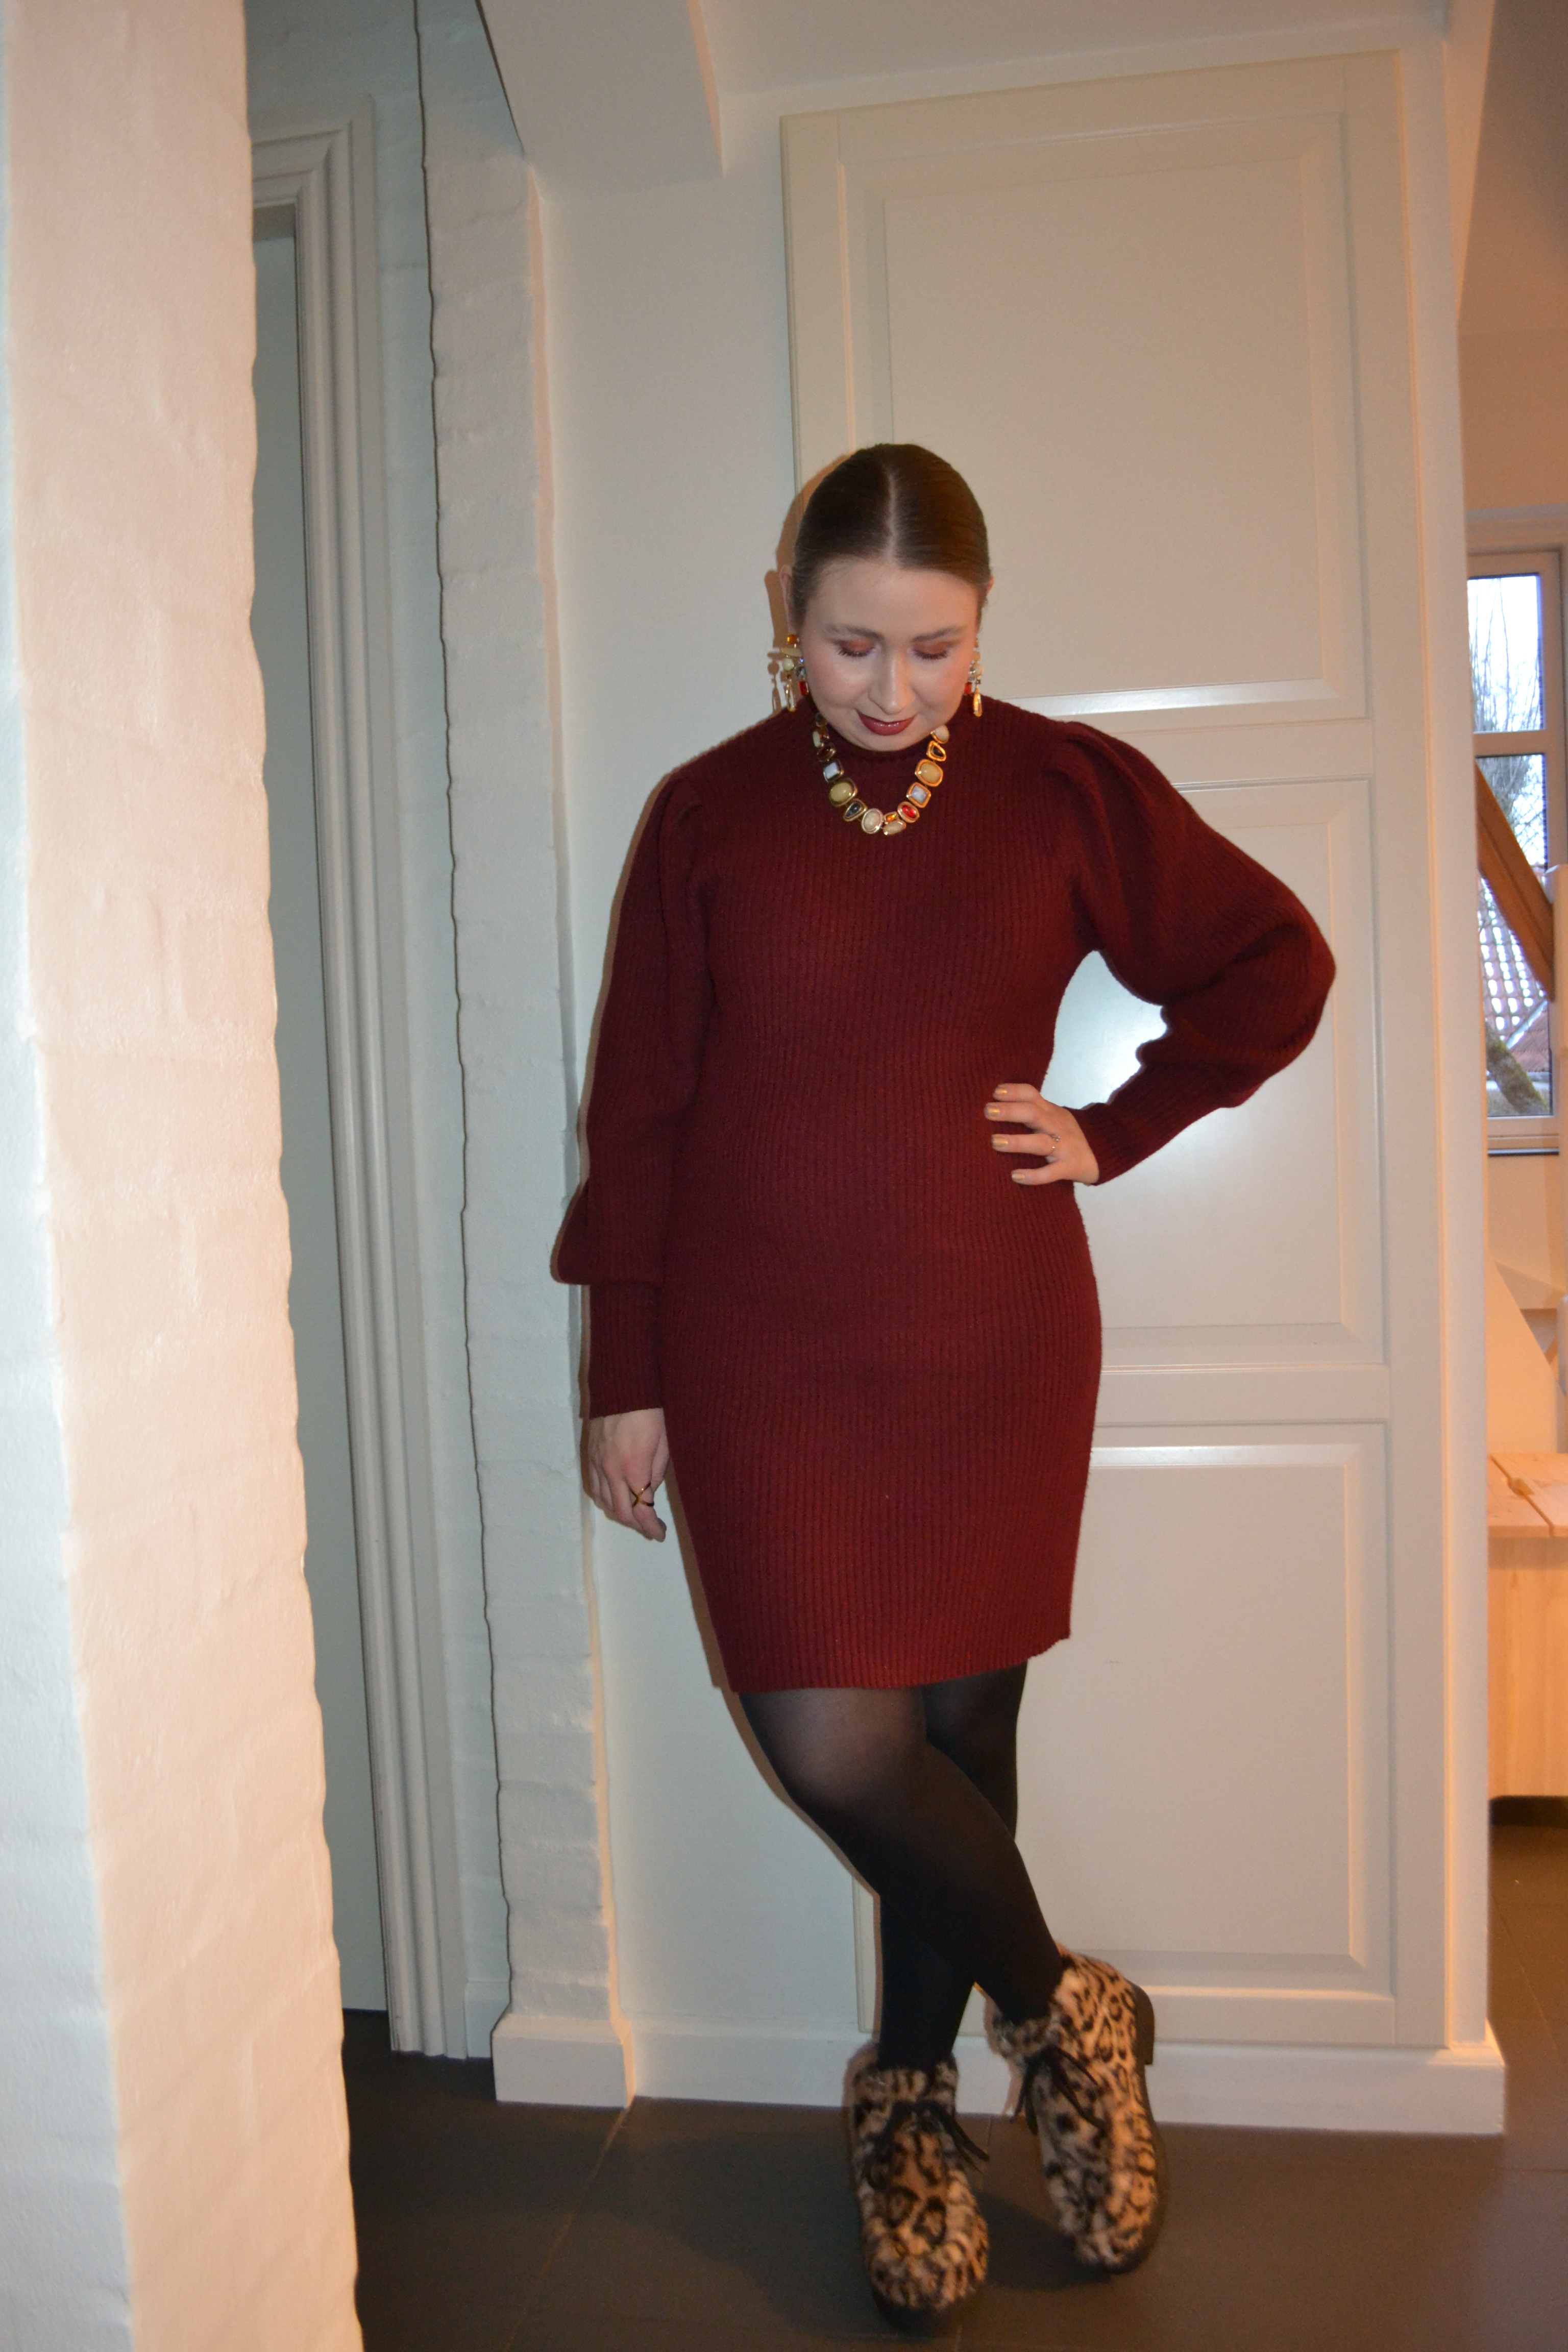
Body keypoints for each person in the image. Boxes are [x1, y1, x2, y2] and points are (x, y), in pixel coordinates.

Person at [554, 444, 1335, 2335]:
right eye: (851, 645)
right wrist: (625, 1366)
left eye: (935, 646)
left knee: (962, 1749)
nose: (893, 689)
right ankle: (1070, 2010)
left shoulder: (1065, 789)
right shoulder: (708, 816)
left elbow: (1274, 964)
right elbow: (639, 1110)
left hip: (988, 1338)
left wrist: (1115, 1126)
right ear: (786, 613)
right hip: (759, 1353)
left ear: (982, 627)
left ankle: (909, 2113)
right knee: (840, 1746)